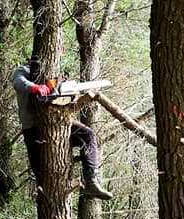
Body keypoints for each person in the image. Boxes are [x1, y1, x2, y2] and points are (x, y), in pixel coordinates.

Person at [11, 61, 113, 200]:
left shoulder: (56, 71)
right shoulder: (22, 71)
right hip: (33, 127)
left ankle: (91, 180)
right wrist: (37, 88)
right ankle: (41, 191)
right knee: (38, 165)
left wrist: (69, 91)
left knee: (87, 134)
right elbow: (18, 82)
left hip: (59, 122)